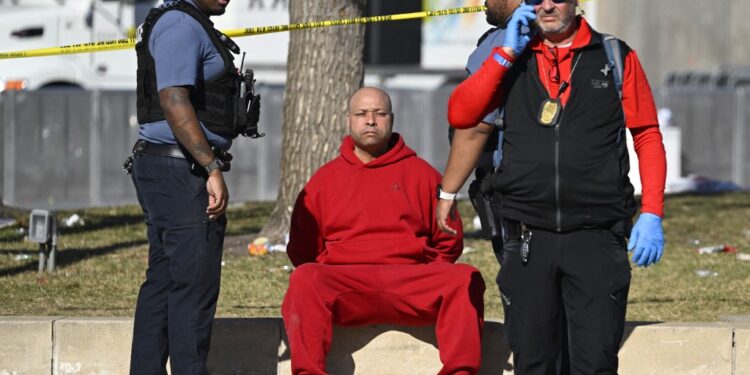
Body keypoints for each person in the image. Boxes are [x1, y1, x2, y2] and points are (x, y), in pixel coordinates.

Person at [438, 1, 667, 373]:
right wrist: (505, 53)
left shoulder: (614, 55)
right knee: (534, 362)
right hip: (527, 235)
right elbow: (463, 115)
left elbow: (647, 135)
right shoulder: (511, 56)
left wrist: (653, 211)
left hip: (596, 233)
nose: (547, 4)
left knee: (594, 363)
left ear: (576, 3)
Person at [282, 87, 486, 375]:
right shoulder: (324, 180)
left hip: (411, 283)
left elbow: (449, 243)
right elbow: (303, 250)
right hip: (347, 286)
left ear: (392, 119)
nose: (370, 121)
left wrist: (420, 270)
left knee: (464, 278)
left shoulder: (423, 174)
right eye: (362, 114)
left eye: (379, 113)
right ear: (348, 120)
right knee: (305, 279)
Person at [127, 0, 260, 373]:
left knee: (167, 281)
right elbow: (172, 99)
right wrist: (210, 166)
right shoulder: (180, 24)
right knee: (193, 287)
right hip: (179, 169)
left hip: (170, 166)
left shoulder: (185, 20)